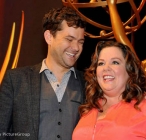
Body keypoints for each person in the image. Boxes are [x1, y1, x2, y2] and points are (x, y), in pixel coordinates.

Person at [0, 6, 86, 140]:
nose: (76, 48)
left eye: (80, 42)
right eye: (69, 39)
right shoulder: (16, 80)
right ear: (49, 37)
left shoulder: (88, 83)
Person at [72, 40, 146, 140]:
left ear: (130, 71)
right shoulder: (87, 111)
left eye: (115, 62)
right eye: (101, 63)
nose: (106, 68)